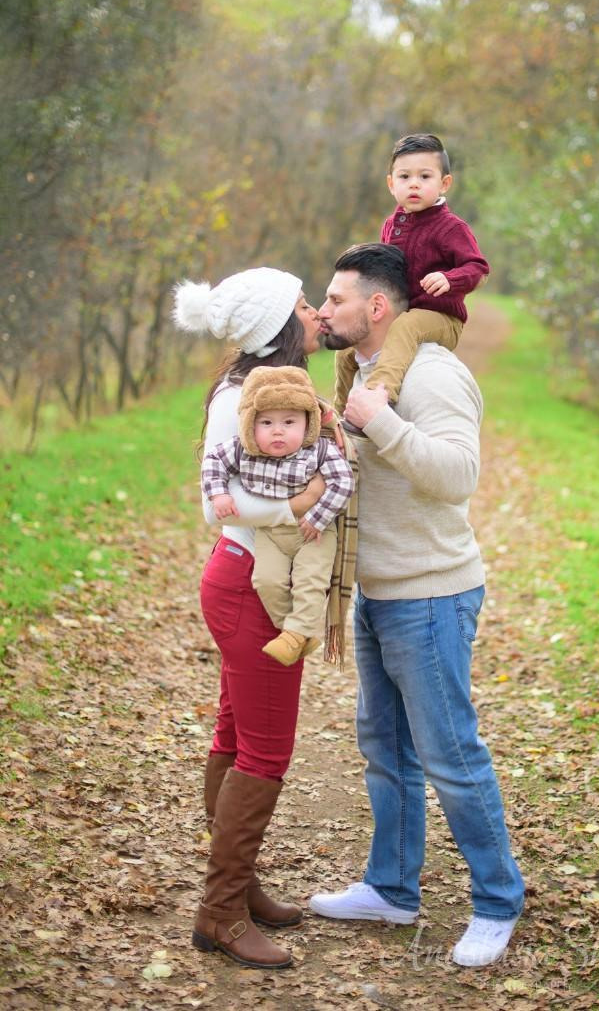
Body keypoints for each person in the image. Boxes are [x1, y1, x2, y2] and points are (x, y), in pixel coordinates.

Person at [311, 243, 524, 968]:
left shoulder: (434, 374)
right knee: (387, 754)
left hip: (432, 595)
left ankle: (497, 903)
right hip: (380, 592)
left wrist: (384, 424)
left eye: (336, 298)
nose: (325, 309)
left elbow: (459, 475)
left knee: (451, 757)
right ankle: (392, 888)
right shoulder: (364, 372)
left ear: (377, 306)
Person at [173, 267, 332, 970]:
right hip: (250, 587)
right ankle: (220, 913)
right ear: (278, 327)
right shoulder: (238, 399)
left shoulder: (274, 395)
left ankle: (239, 891)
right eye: (302, 305)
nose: (314, 312)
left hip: (246, 579)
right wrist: (298, 508)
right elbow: (215, 503)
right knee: (265, 751)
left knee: (237, 735)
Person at [201, 364, 355, 666]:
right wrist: (219, 493)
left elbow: (343, 481)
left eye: (289, 422)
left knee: (309, 581)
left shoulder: (320, 450)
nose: (278, 431)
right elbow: (212, 461)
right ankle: (298, 632)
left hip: (315, 532)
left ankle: (297, 634)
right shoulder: (243, 451)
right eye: (267, 422)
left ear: (306, 424)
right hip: (272, 534)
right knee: (266, 581)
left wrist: (318, 517)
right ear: (250, 425)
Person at [334, 133, 490, 425]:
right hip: (401, 312)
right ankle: (341, 415)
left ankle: (380, 393)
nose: (414, 184)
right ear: (392, 184)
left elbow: (478, 267)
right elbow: (385, 271)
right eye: (404, 176)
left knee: (406, 326)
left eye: (425, 176)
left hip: (440, 318)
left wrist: (450, 278)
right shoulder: (391, 225)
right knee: (348, 345)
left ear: (444, 183)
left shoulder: (450, 227)